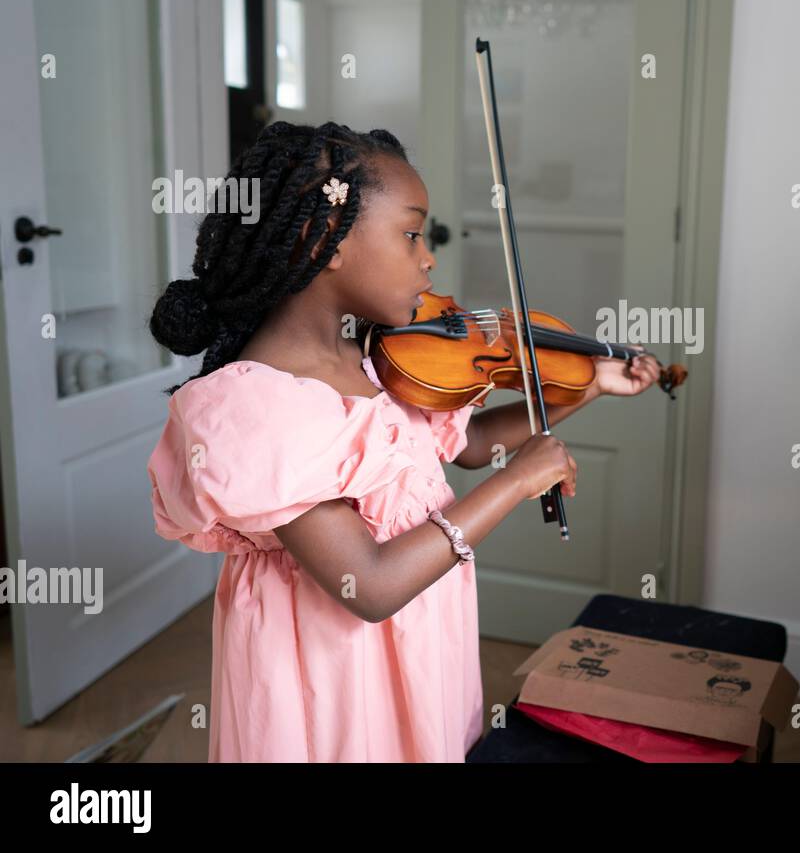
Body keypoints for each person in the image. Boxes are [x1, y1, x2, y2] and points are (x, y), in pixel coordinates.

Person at [145, 121, 661, 761]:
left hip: (416, 645)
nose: (429, 258)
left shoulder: (373, 361)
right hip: (329, 672)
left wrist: (586, 386)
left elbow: (472, 445)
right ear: (323, 240)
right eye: (412, 233)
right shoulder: (261, 406)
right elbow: (371, 584)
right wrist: (517, 481)